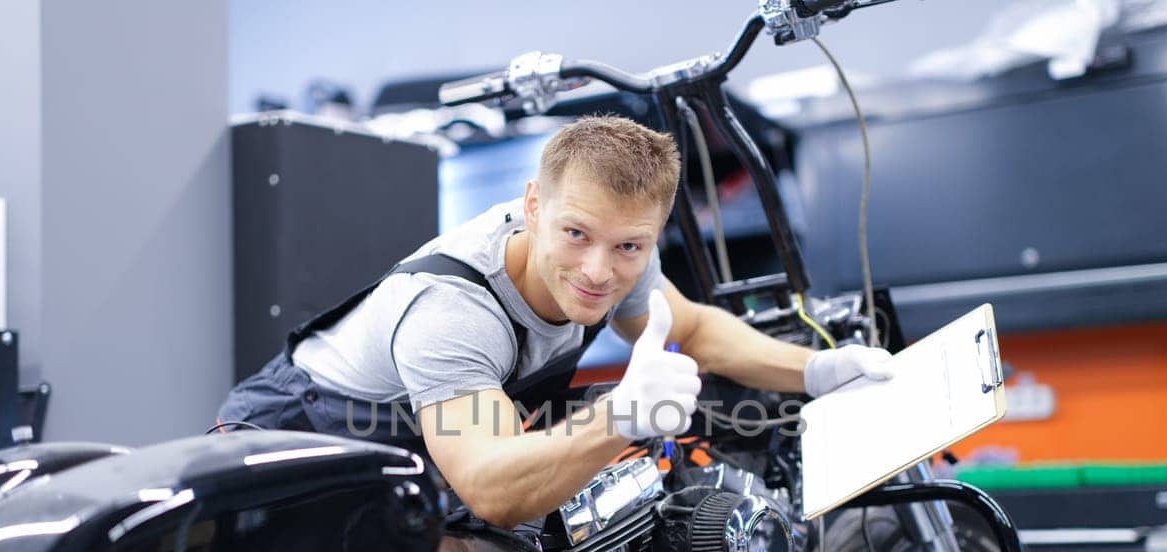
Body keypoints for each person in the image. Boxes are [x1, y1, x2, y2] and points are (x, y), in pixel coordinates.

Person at [219, 115, 893, 527]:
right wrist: (618, 420)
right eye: (576, 234)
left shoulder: (617, 256)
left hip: (424, 448)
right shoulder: (453, 310)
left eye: (629, 246)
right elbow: (488, 484)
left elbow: (691, 327)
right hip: (299, 447)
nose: (599, 271)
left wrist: (814, 369)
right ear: (534, 205)